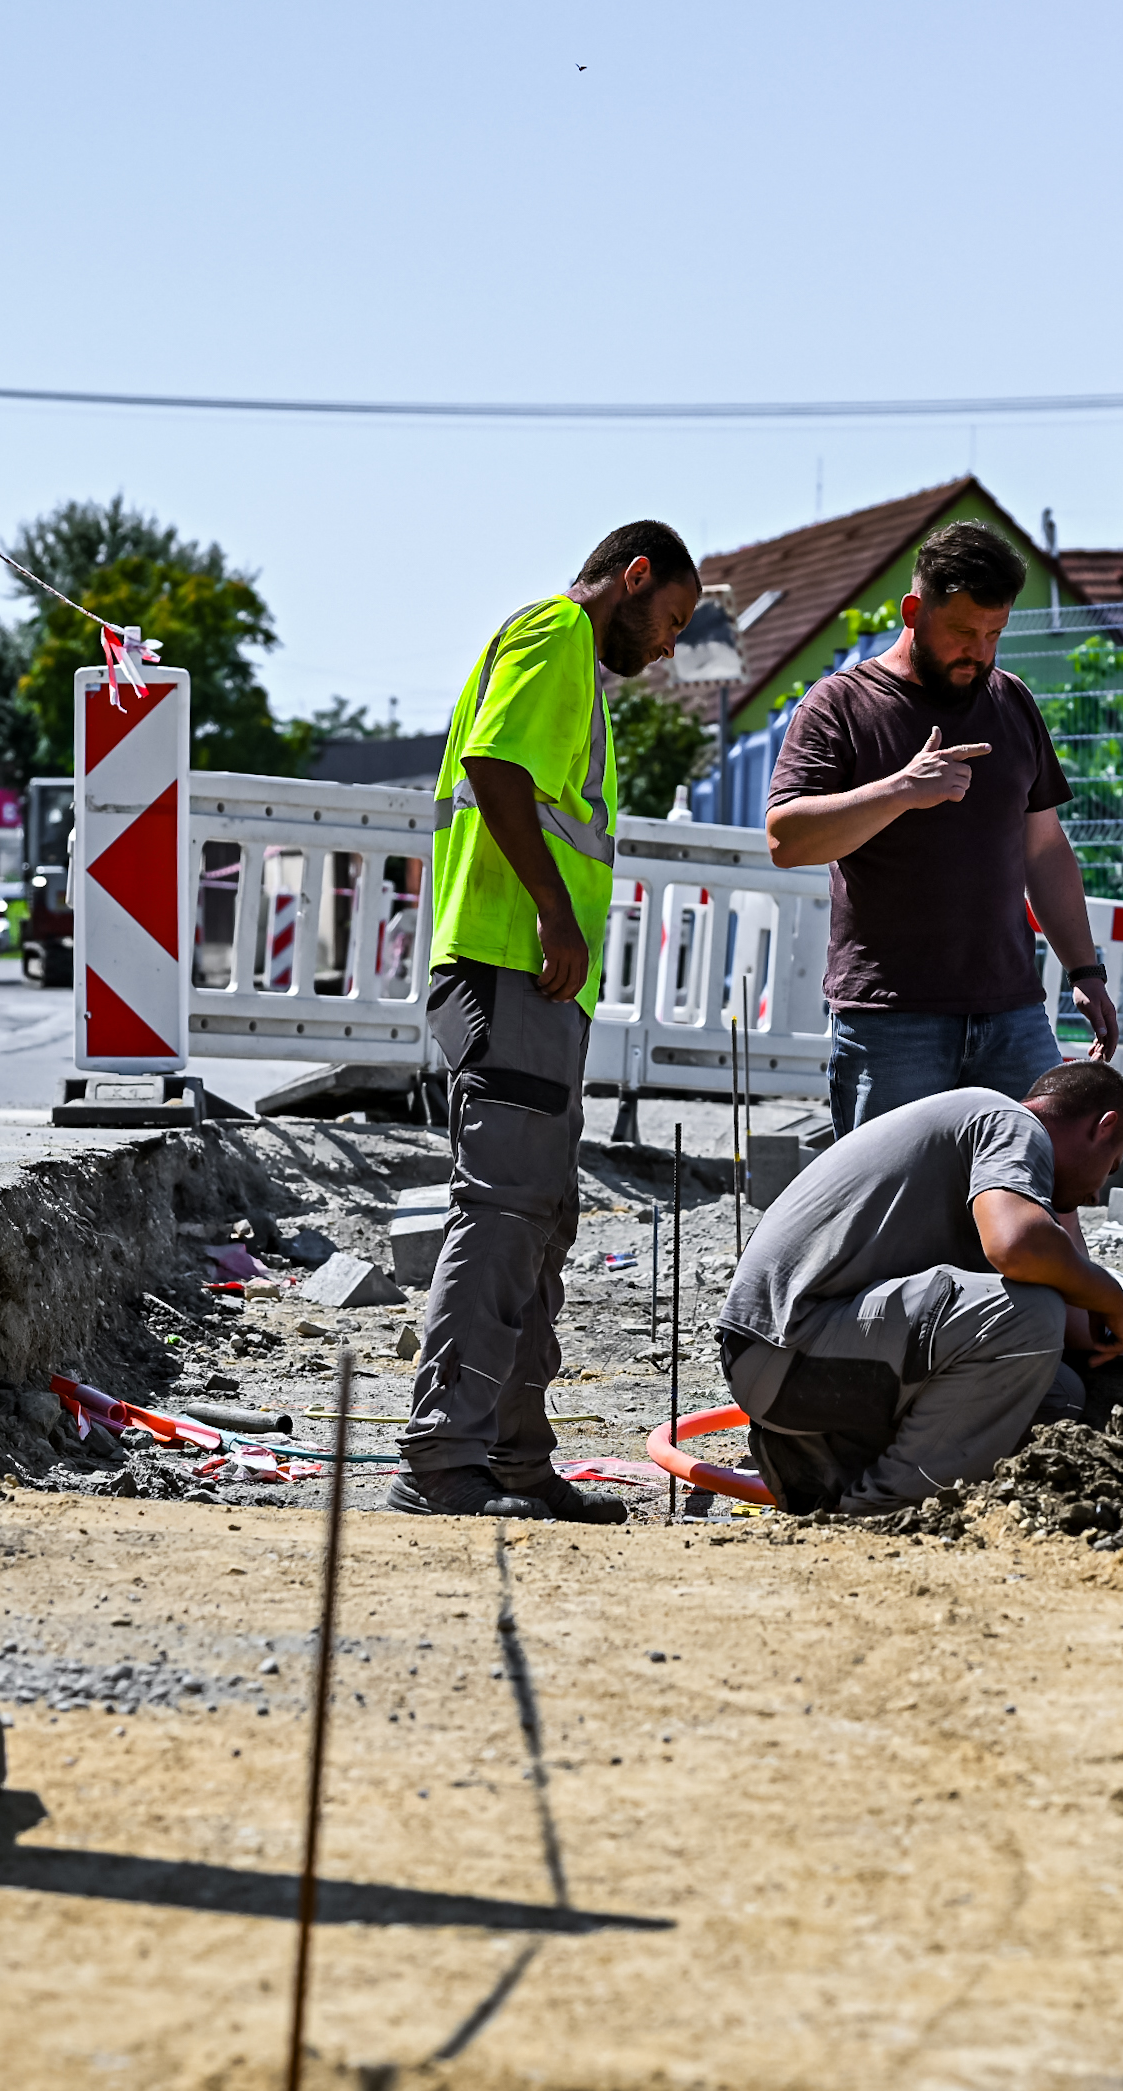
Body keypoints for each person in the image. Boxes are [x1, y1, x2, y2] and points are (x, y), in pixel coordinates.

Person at [393, 521, 702, 1522]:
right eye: (671, 620)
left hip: (525, 978)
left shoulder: (564, 653)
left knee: (535, 1219)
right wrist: (552, 911)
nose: (667, 646)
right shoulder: (556, 633)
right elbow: (495, 769)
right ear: (635, 576)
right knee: (501, 1213)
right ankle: (444, 1460)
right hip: (506, 965)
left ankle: (514, 1458)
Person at [763, 520, 1123, 1137]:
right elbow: (785, 838)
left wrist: (1085, 973)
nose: (979, 651)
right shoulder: (840, 705)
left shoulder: (1011, 702)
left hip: (1013, 1013)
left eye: (994, 634)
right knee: (894, 1216)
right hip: (891, 1021)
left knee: (1033, 1187)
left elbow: (1045, 850)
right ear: (913, 609)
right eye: (962, 631)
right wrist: (901, 789)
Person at [716, 1060, 1123, 1517]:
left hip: (796, 1362)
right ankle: (879, 1512)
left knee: (1059, 1393)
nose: (1098, 1195)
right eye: (1112, 1165)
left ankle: (825, 1466)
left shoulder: (982, 1168)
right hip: (784, 1352)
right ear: (1104, 1126)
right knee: (1028, 1317)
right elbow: (1017, 1246)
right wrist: (1112, 1297)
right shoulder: (1010, 1122)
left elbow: (1077, 1327)